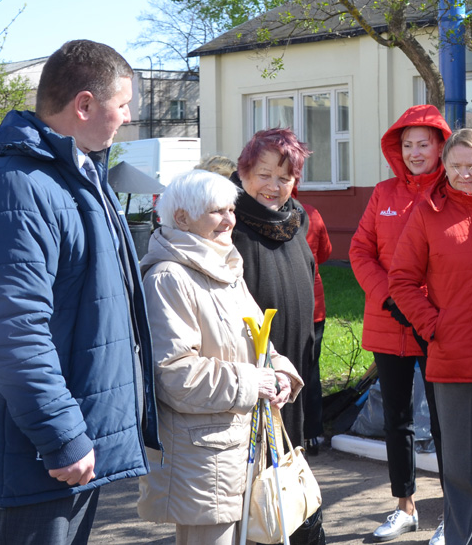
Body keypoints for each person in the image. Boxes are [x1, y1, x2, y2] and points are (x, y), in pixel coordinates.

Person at [0, 39, 160, 545]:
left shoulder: (73, 176)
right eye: (123, 104)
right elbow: (13, 331)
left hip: (61, 444)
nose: (128, 118)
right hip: (35, 454)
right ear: (84, 104)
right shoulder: (15, 187)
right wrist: (62, 435)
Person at [138, 170, 302, 545]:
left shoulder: (226, 267)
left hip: (245, 447)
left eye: (231, 209)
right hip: (203, 461)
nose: (230, 220)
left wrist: (280, 377)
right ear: (181, 218)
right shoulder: (169, 278)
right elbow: (174, 375)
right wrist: (252, 382)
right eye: (217, 212)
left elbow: (261, 345)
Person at [389, 128, 472, 545]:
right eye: (456, 166)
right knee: (463, 466)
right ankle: (462, 538)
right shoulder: (428, 213)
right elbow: (401, 280)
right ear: (444, 167)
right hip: (453, 355)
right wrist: (434, 327)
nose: (465, 174)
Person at [349, 105, 451, 544]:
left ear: (440, 145)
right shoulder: (383, 193)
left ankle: (454, 513)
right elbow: (360, 251)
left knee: (447, 422)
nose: (414, 152)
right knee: (398, 421)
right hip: (387, 322)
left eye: (423, 144)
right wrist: (388, 296)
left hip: (437, 324)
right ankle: (404, 506)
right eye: (406, 144)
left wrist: (422, 306)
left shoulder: (453, 190)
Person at [231, 127, 326, 545]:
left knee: (289, 458)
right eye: (263, 174)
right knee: (254, 473)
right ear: (244, 171)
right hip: (252, 370)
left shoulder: (296, 217)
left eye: (283, 177)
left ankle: (286, 527)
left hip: (295, 364)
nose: (273, 186)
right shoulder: (229, 221)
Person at [297, 197, 332, 454]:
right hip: (313, 305)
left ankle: (290, 430)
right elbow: (325, 253)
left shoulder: (261, 213)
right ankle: (312, 434)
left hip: (280, 307)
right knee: (311, 369)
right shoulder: (311, 213)